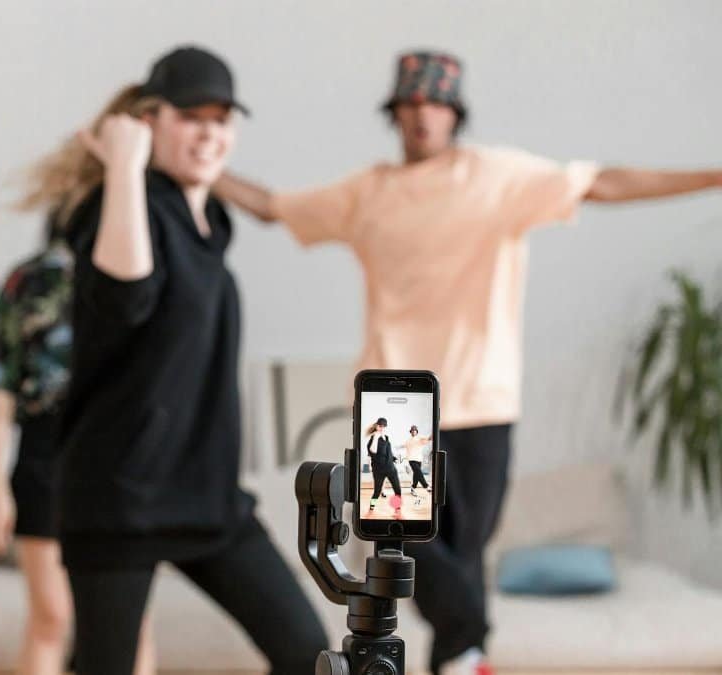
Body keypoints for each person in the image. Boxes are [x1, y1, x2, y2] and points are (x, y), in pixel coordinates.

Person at [212, 49, 722, 675]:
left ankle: (460, 658)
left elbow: (601, 183)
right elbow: (271, 206)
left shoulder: (497, 178)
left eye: (436, 104)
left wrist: (712, 176)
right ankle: (472, 643)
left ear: (455, 114)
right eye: (412, 104)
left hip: (482, 398)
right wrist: (196, 164)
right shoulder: (367, 193)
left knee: (465, 552)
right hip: (393, 401)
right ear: (396, 114)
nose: (424, 116)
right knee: (402, 545)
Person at [53, 45, 330, 674]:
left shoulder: (212, 226)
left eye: (222, 119)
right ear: (152, 122)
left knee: (311, 655)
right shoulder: (119, 205)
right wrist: (124, 167)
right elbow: (124, 298)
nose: (209, 133)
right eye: (192, 117)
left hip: (207, 497)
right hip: (119, 496)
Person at [0, 218, 157, 675]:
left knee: (131, 620)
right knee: (51, 617)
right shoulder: (29, 280)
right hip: (44, 452)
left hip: (122, 455)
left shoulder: (146, 272)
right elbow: (0, 387)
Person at [365, 417, 403, 519]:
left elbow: (388, 452)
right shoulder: (372, 439)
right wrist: (376, 438)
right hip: (379, 471)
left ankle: (397, 509)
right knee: (377, 492)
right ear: (376, 426)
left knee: (397, 490)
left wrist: (394, 458)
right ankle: (371, 506)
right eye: (380, 426)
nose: (382, 428)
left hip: (391, 468)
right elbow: (373, 451)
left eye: (384, 426)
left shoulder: (387, 438)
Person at [402, 425, 432, 494]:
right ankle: (426, 486)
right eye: (412, 430)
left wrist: (434, 431)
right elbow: (404, 446)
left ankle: (413, 487)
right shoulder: (408, 440)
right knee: (419, 472)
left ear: (416, 431)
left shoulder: (420, 437)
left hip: (419, 460)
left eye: (415, 430)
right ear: (410, 431)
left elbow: (429, 438)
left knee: (416, 474)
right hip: (411, 459)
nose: (413, 431)